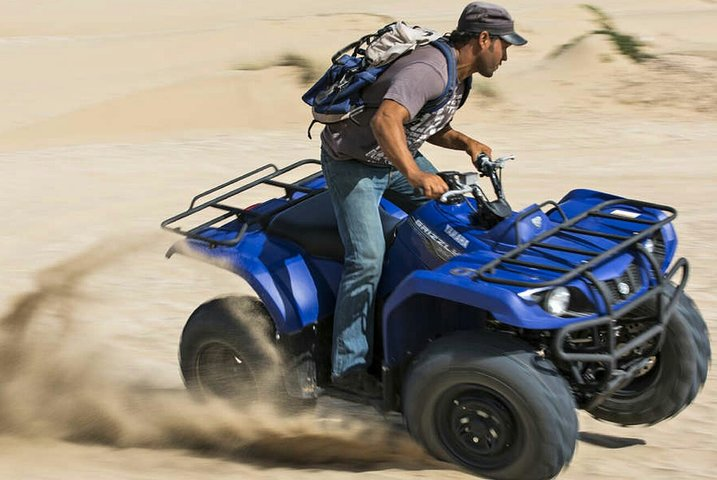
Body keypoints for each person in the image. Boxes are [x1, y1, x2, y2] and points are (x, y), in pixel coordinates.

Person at [320, 2, 527, 396]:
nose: (506, 56)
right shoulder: (429, 70)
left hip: (396, 152)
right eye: (505, 46)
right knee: (365, 258)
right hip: (356, 163)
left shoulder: (460, 75)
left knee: (457, 220)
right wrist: (414, 174)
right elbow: (386, 120)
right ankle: (347, 370)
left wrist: (466, 143)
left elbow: (426, 122)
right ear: (483, 40)